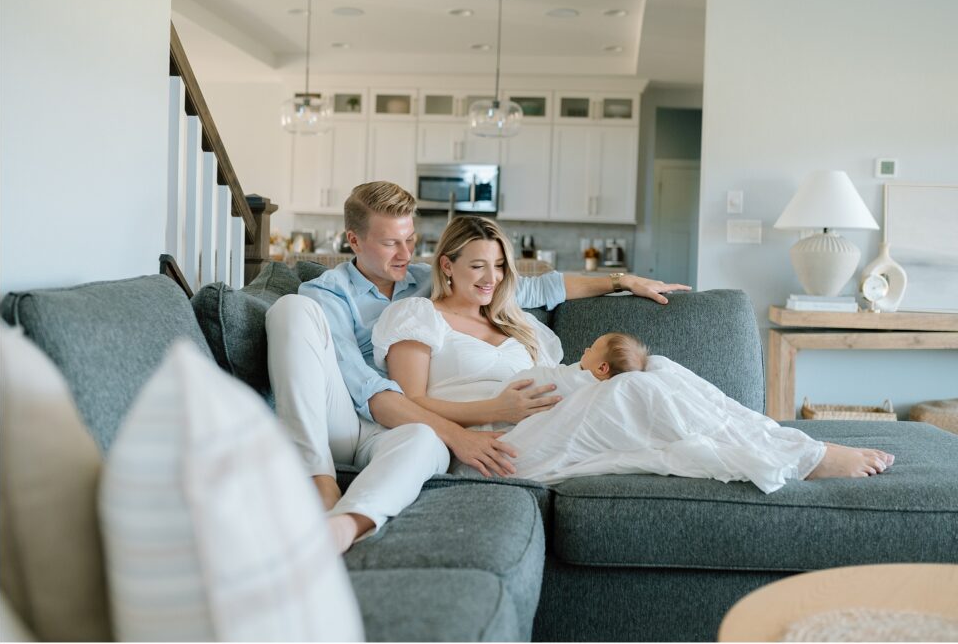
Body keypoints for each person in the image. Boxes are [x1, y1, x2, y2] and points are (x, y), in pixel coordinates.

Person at [265, 182, 690, 553]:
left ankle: (345, 527)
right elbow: (366, 389)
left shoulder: (424, 278)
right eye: (390, 243)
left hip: (403, 427)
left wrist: (621, 281)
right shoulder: (329, 293)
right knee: (290, 309)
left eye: (410, 239)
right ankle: (319, 479)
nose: (406, 253)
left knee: (421, 441)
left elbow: (533, 286)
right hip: (348, 415)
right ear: (353, 241)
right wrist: (463, 433)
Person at [374, 215, 895, 494]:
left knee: (656, 367)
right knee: (638, 390)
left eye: (500, 268)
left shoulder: (510, 314)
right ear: (446, 266)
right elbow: (406, 404)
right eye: (477, 268)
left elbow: (554, 293)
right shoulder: (417, 318)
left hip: (542, 417)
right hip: (490, 445)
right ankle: (805, 459)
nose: (491, 280)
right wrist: (491, 413)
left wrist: (625, 284)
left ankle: (786, 444)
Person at [499, 332, 649, 400]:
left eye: (592, 348)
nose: (586, 349)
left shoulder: (586, 387)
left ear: (602, 368)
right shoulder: (582, 371)